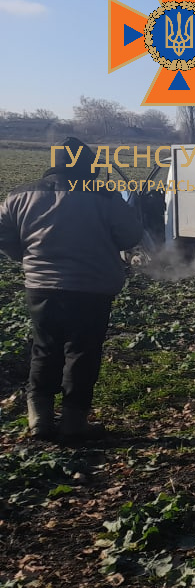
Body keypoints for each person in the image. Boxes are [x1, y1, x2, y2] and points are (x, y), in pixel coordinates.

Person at [0, 136, 142, 441]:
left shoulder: (20, 195)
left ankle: (39, 418)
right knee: (82, 352)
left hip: (40, 286)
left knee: (44, 348)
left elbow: (3, 233)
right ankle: (74, 422)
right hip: (91, 288)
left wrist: (24, 257)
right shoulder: (103, 196)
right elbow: (129, 235)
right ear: (88, 166)